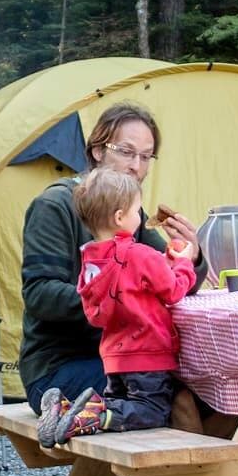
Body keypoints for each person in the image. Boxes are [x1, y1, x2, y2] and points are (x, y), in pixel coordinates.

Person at [18, 101, 238, 476]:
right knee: (179, 399)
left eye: (146, 155)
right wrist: (119, 305)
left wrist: (189, 254)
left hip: (131, 357)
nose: (136, 165)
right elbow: (41, 295)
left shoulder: (129, 216)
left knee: (229, 387)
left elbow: (171, 287)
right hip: (63, 366)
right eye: (125, 152)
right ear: (96, 150)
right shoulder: (59, 204)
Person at [34, 168, 196, 446]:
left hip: (113, 356)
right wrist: (183, 262)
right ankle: (95, 416)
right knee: (152, 410)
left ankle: (65, 409)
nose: (140, 218)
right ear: (120, 217)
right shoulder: (141, 254)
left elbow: (102, 306)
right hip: (147, 353)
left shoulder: (91, 261)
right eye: (137, 211)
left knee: (119, 402)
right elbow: (173, 291)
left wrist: (164, 264)